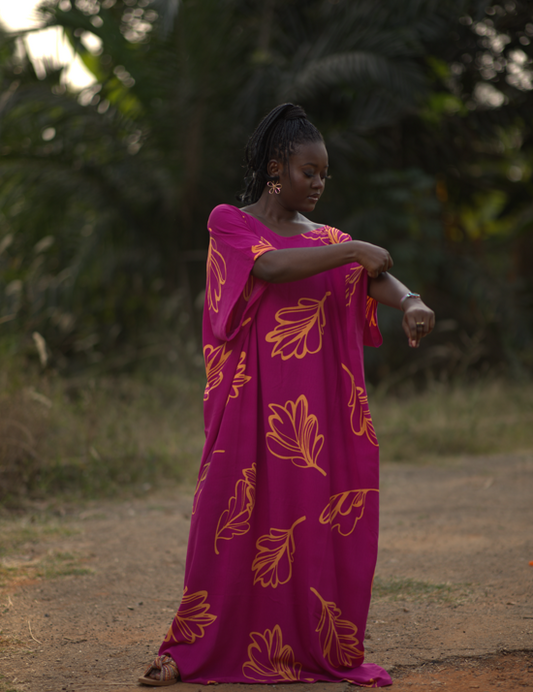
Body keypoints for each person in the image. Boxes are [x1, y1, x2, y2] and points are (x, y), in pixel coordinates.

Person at [139, 103, 435, 688]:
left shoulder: (328, 237)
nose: (320, 183)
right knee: (224, 517)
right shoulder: (231, 222)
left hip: (312, 419)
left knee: (304, 524)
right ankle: (190, 650)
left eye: (326, 173)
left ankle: (306, 645)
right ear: (277, 168)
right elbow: (270, 269)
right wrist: (353, 251)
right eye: (309, 171)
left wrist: (411, 300)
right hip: (248, 406)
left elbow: (373, 275)